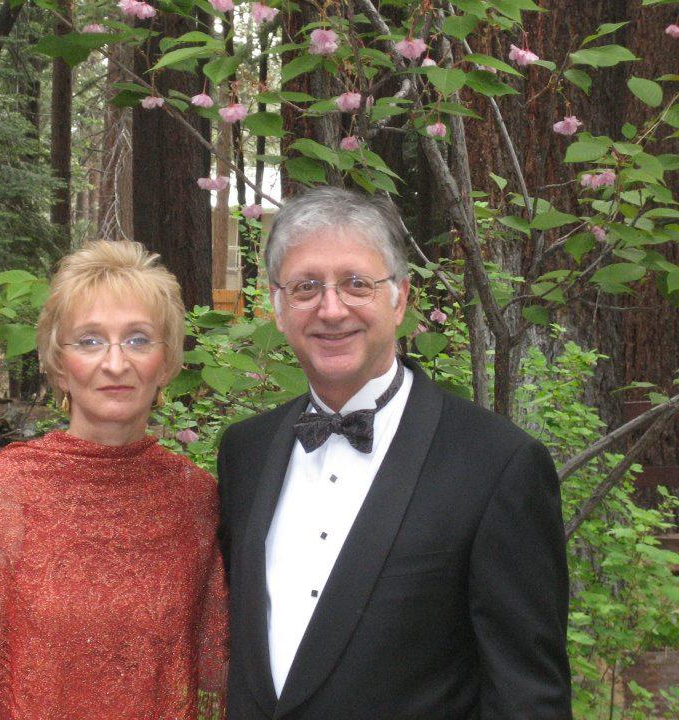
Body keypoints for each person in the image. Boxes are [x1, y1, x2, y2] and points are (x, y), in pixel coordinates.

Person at [217, 187, 571, 719]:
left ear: (400, 298)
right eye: (306, 287)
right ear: (277, 307)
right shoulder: (244, 452)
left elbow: (528, 698)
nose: (331, 309)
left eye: (357, 283)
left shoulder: (498, 465)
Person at [0, 240, 228, 720]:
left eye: (139, 339)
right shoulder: (4, 490)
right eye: (90, 340)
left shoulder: (195, 498)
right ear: (59, 365)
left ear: (166, 364)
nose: (116, 363)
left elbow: (221, 670)